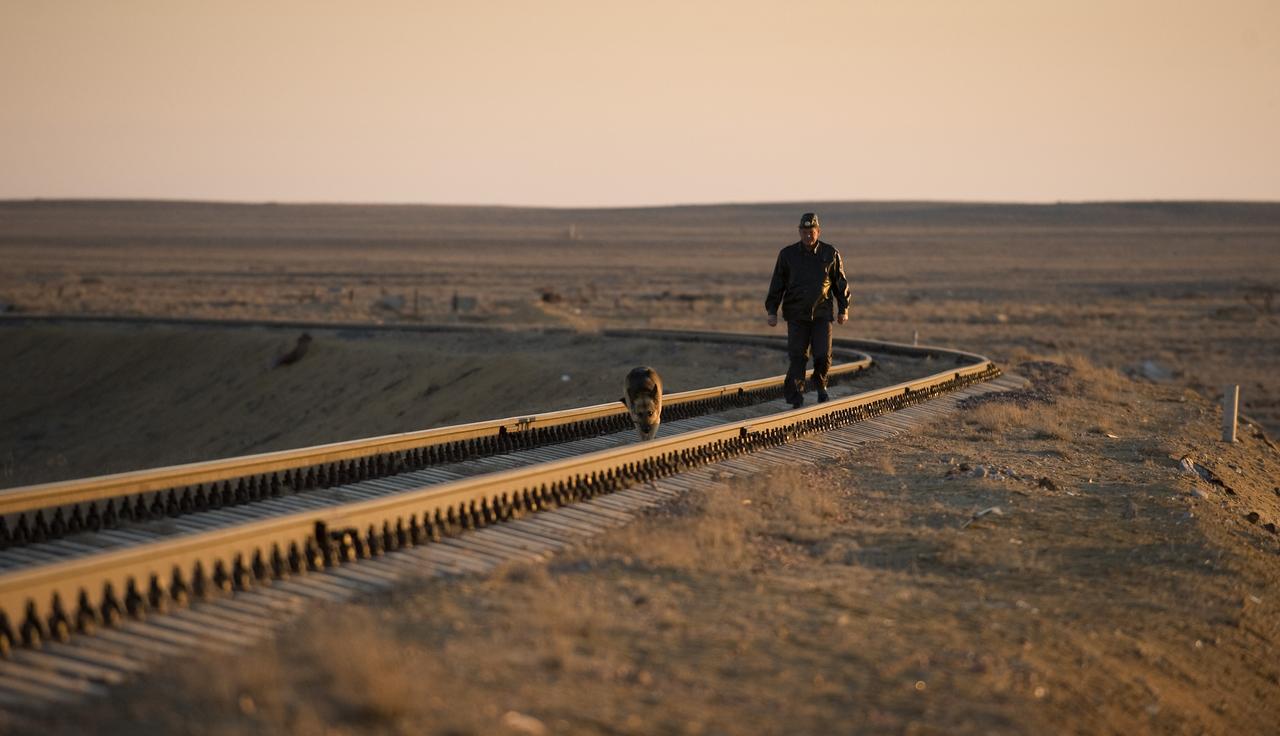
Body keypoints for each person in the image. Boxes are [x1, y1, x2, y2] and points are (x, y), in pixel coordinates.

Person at [765, 212, 850, 408]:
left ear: (818, 232)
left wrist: (843, 308)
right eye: (804, 232)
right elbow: (777, 284)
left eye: (811, 232)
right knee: (798, 357)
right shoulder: (787, 255)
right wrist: (772, 310)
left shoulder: (830, 253)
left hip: (822, 313)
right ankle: (796, 398)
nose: (807, 236)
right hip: (796, 314)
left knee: (822, 355)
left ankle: (820, 385)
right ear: (799, 232)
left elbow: (840, 283)